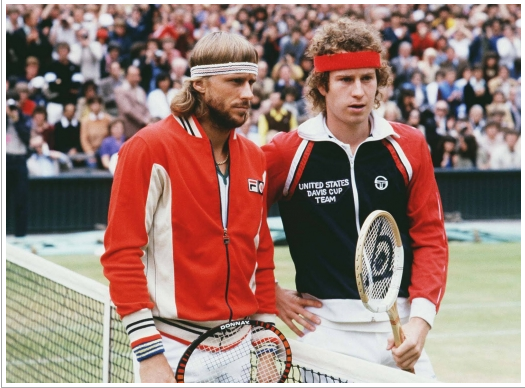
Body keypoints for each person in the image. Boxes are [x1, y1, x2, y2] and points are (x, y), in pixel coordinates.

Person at [262, 18, 448, 378]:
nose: (359, 92)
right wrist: (268, 290)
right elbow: (240, 222)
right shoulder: (286, 152)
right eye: (346, 80)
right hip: (325, 333)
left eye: (368, 78)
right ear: (322, 86)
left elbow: (431, 238)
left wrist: (421, 323)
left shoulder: (409, 145)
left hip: (401, 328)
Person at [100, 31, 276, 383]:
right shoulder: (149, 147)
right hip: (173, 346)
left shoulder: (255, 156)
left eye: (251, 82)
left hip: (241, 349)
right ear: (200, 85)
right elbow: (121, 253)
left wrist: (266, 340)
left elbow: (260, 253)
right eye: (235, 82)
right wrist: (149, 354)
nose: (248, 94)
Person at [6, 91, 32, 237]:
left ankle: (20, 234)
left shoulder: (24, 119)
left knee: (21, 198)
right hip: (5, 160)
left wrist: (16, 120)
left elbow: (26, 138)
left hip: (20, 161)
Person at [114, 65, 151, 139]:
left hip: (144, 127)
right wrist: (144, 120)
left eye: (137, 75)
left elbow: (146, 108)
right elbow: (127, 110)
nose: (137, 78)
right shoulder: (120, 90)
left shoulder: (141, 90)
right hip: (129, 129)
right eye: (133, 76)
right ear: (126, 76)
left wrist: (148, 119)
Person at [80, 96, 112, 169]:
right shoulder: (85, 121)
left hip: (106, 151)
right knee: (92, 165)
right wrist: (89, 152)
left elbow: (111, 136)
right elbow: (84, 139)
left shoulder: (107, 119)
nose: (96, 106)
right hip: (92, 151)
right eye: (93, 104)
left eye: (98, 103)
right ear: (90, 106)